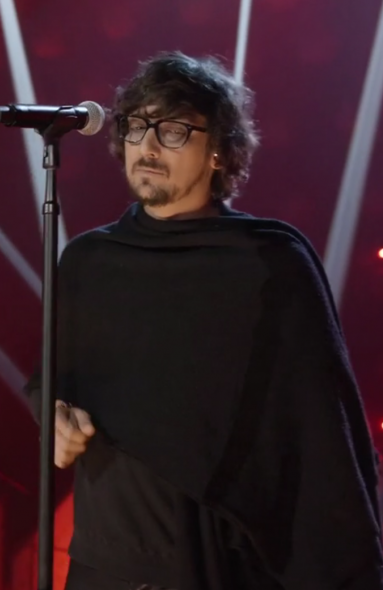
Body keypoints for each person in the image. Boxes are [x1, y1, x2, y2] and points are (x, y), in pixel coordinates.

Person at [25, 52, 383, 590]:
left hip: (218, 562)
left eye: (171, 129)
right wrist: (53, 418)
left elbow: (318, 435)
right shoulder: (89, 262)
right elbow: (51, 381)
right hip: (106, 560)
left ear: (219, 150)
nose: (146, 145)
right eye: (136, 125)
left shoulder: (268, 262)